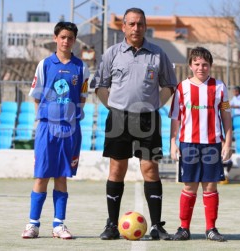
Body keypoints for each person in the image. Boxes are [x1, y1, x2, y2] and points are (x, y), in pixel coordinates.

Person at [90, 7, 177, 240]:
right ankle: (111, 224)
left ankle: (157, 225)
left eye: (140, 24)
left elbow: (170, 84)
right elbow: (99, 85)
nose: (136, 28)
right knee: (117, 169)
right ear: (124, 27)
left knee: (149, 168)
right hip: (119, 118)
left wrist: (154, 105)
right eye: (132, 24)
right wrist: (114, 108)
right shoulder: (111, 53)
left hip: (147, 118)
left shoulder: (158, 53)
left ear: (145, 26)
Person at [21, 22, 90, 239]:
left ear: (74, 40)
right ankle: (33, 224)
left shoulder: (81, 67)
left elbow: (82, 98)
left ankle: (59, 225)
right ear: (55, 38)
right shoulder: (44, 64)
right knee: (41, 176)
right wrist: (44, 120)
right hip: (46, 129)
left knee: (62, 176)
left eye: (70, 38)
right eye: (62, 37)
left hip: (70, 131)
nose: (66, 41)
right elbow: (37, 97)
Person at [169, 47, 232, 242]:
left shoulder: (220, 87)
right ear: (190, 65)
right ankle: (184, 228)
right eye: (196, 64)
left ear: (210, 66)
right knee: (189, 187)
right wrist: (173, 142)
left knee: (210, 187)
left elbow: (226, 116)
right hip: (188, 144)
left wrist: (227, 142)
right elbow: (175, 118)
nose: (201, 68)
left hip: (212, 144)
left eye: (205, 64)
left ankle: (211, 228)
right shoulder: (182, 87)